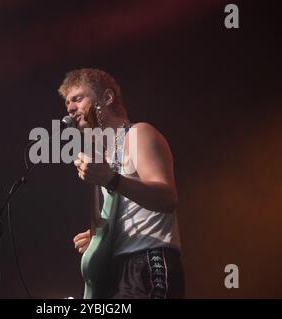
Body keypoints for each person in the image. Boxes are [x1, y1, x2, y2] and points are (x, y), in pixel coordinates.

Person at [58, 68, 185, 299]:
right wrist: (100, 238)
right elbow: (128, 211)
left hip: (149, 260)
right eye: (67, 103)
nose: (69, 108)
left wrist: (111, 179)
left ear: (107, 98)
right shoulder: (102, 156)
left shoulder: (139, 134)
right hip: (117, 271)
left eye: (77, 98)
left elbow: (168, 199)